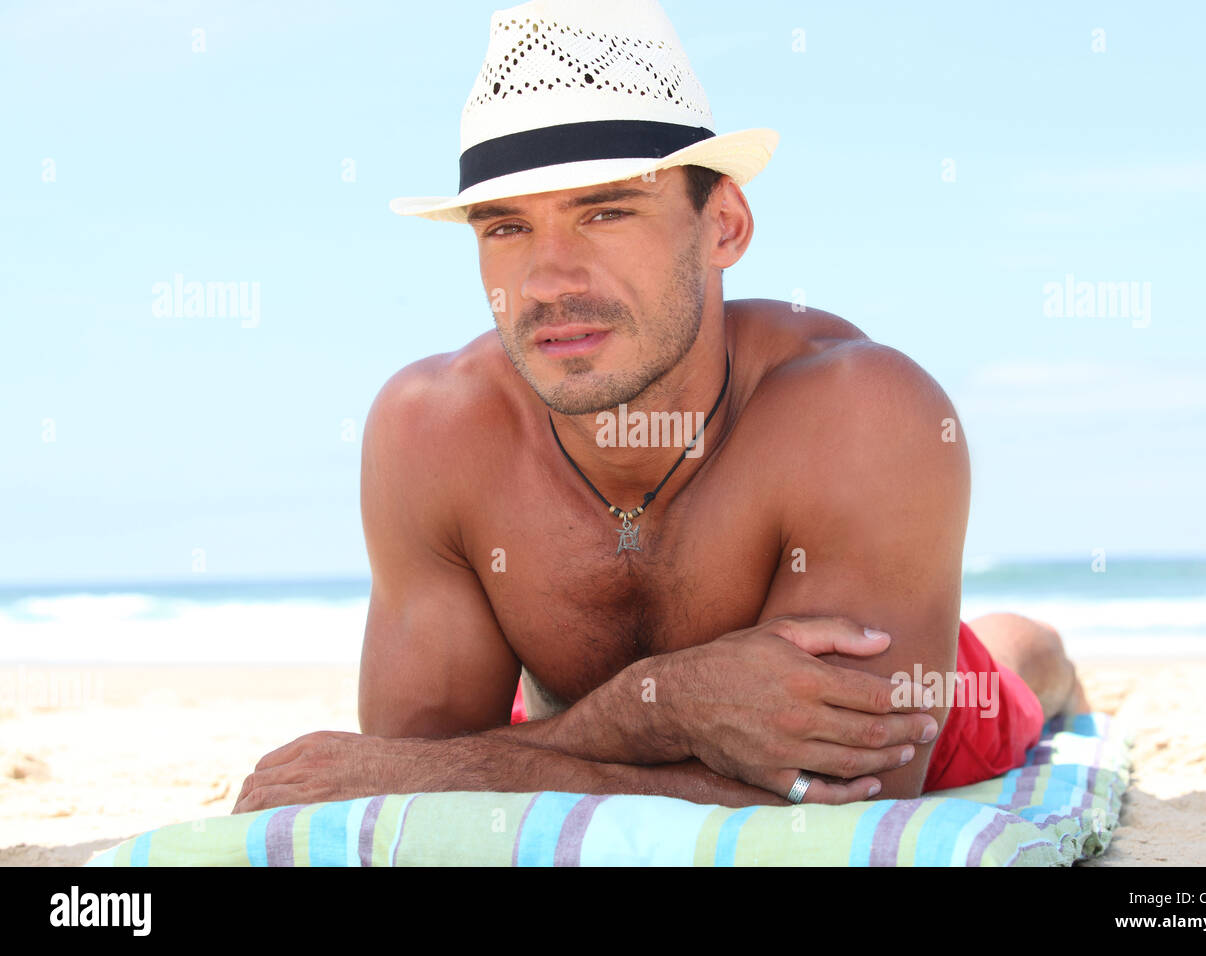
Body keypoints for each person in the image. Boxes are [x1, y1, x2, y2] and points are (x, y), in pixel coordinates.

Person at [234, 0, 1087, 815]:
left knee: (1012, 671)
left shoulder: (859, 413)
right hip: (571, 743)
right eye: (505, 228)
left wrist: (532, 751)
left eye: (605, 212)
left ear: (723, 226)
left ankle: (1033, 657)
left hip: (926, 709)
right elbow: (414, 775)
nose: (548, 280)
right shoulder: (431, 430)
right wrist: (661, 709)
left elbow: (850, 795)